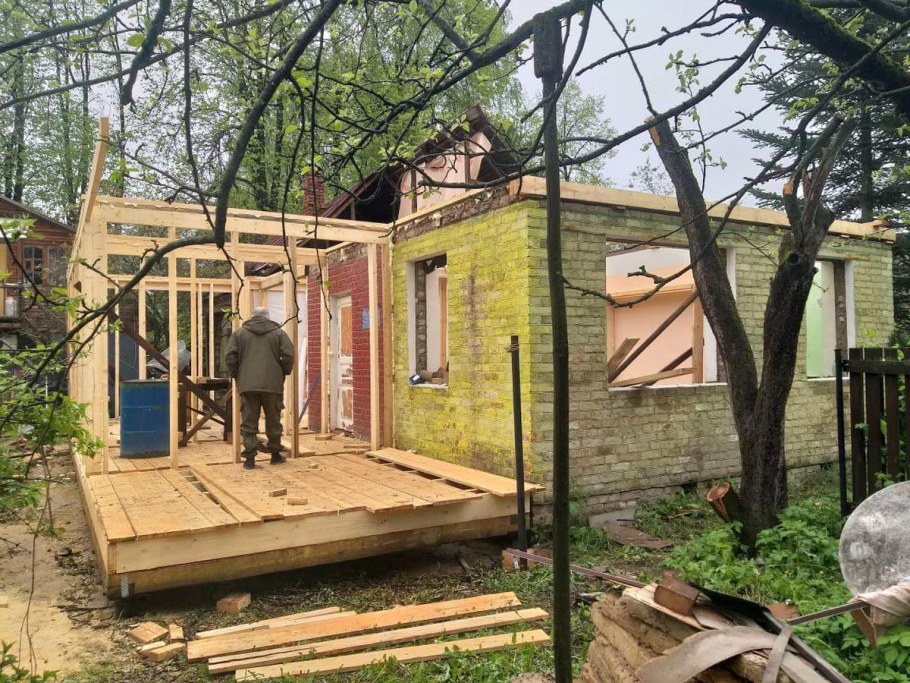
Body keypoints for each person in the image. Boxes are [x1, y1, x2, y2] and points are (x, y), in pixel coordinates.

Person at [225, 307, 295, 469]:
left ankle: (249, 460)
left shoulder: (239, 334)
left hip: (248, 385)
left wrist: (237, 375)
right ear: (267, 317)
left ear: (252, 316)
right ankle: (275, 455)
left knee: (249, 421)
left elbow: (230, 357)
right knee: (273, 420)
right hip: (272, 384)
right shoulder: (278, 333)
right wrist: (282, 371)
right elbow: (288, 355)